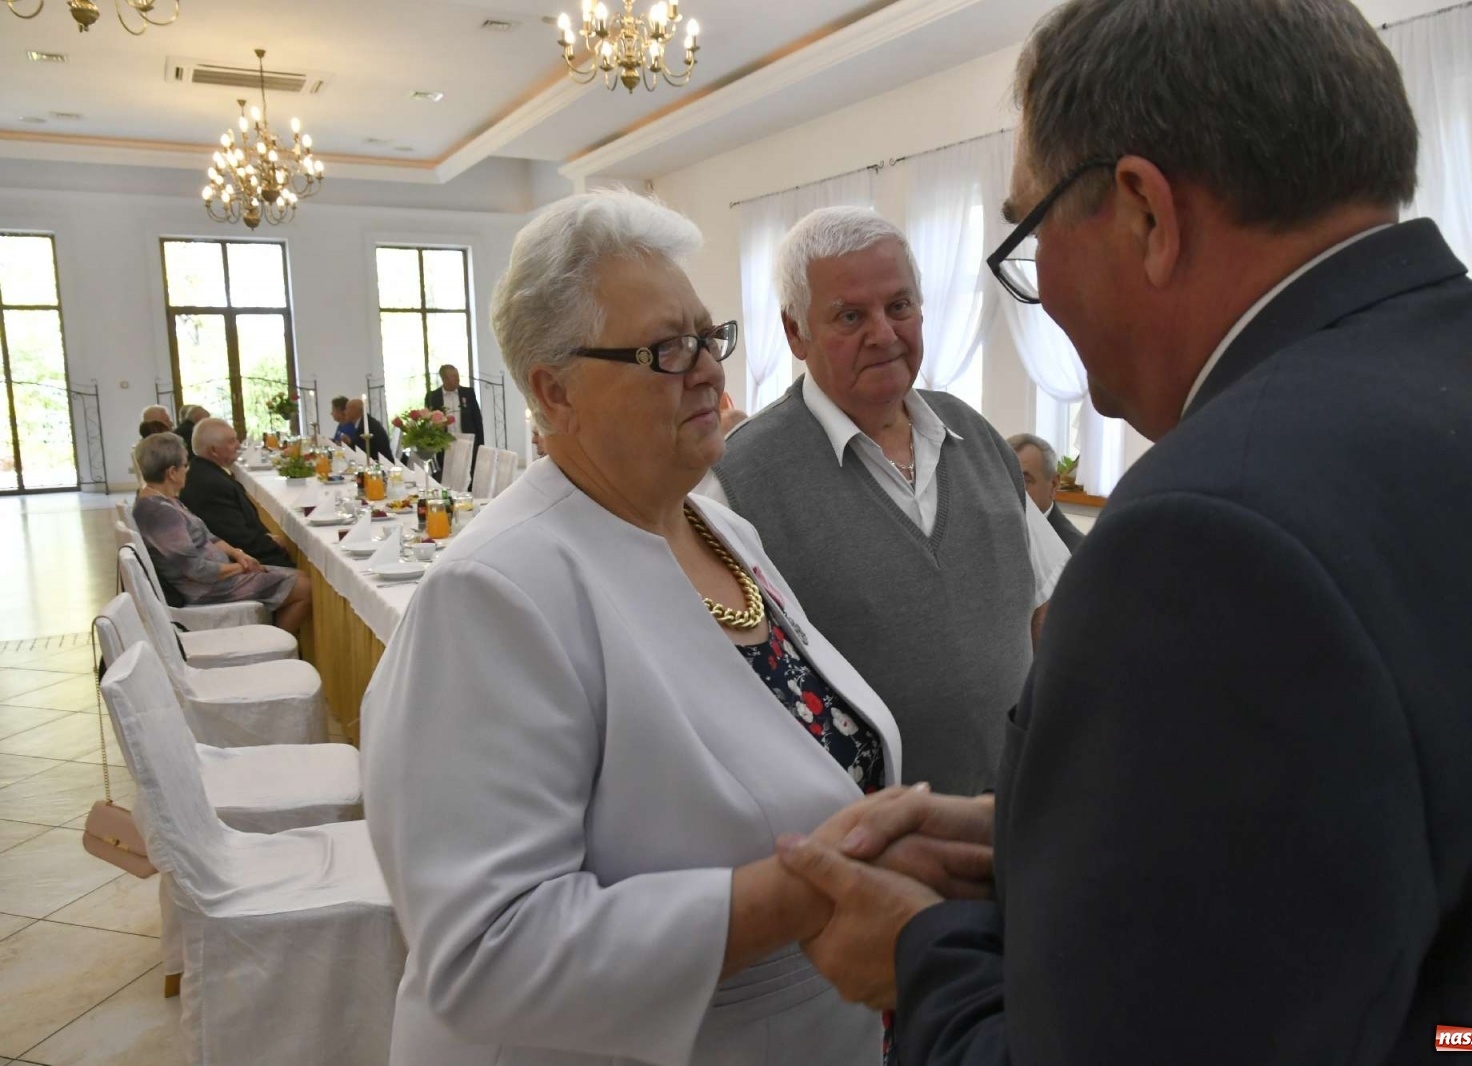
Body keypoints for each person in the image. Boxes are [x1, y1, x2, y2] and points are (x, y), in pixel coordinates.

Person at [772, 0, 1472, 1060]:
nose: (1044, 301)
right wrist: (1050, 841)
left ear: (1143, 213)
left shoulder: (1205, 533)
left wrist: (923, 959)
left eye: (1028, 235)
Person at [362, 190, 989, 1066]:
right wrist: (809, 890)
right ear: (555, 390)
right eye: (665, 350)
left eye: (708, 337)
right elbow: (485, 954)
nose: (707, 371)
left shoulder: (718, 530)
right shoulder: (493, 592)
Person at [702, 208, 1067, 795]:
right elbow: (719, 695)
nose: (884, 333)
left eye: (899, 306)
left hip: (1019, 812)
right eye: (850, 315)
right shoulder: (737, 483)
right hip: (866, 847)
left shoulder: (975, 439)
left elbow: (1047, 609)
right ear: (796, 333)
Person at [132, 432, 311, 634]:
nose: (188, 471)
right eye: (185, 466)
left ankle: (271, 640)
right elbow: (197, 570)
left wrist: (237, 554)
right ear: (172, 473)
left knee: (299, 577)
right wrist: (240, 568)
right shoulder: (160, 513)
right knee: (303, 587)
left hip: (217, 576)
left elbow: (208, 536)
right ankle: (275, 647)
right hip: (204, 588)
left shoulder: (165, 499)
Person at [181, 417, 294, 569]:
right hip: (241, 562)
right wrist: (271, 543)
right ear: (213, 451)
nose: (238, 445)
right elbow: (236, 538)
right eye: (231, 441)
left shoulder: (205, 472)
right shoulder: (212, 485)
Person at [1006, 432, 1084, 552]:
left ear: (1053, 484)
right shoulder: (986, 532)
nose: (1010, 491)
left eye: (1024, 481)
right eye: (1005, 480)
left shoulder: (1075, 551)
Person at [424, 363, 485, 453]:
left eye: (457, 375)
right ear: (444, 379)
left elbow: (478, 421)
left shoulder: (468, 393)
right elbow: (428, 423)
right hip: (444, 447)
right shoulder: (433, 397)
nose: (458, 379)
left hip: (468, 445)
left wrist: (480, 446)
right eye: (454, 376)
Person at [341, 396, 393, 463]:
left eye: (347, 409)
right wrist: (350, 442)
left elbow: (361, 452)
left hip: (380, 465)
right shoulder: (365, 422)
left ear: (354, 410)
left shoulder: (366, 426)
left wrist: (350, 443)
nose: (345, 412)